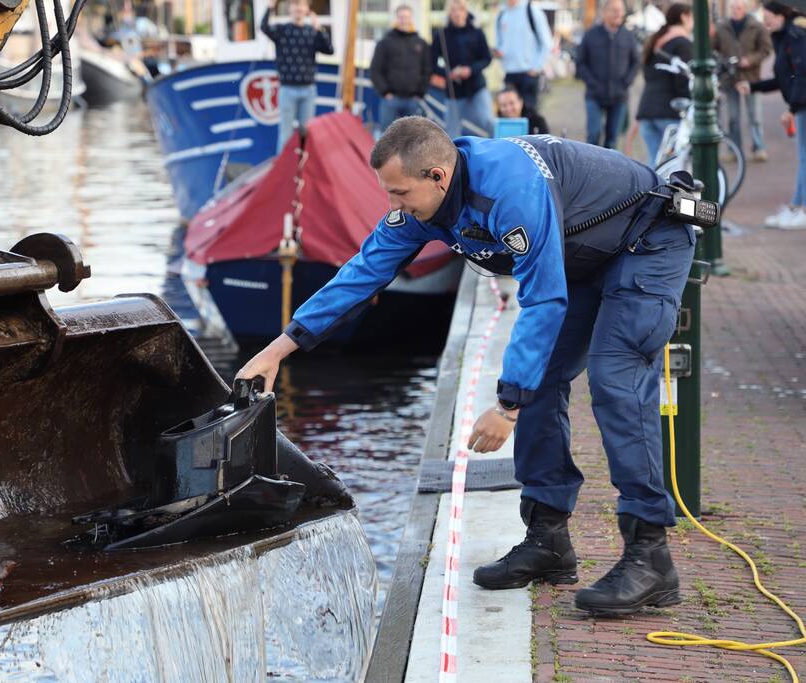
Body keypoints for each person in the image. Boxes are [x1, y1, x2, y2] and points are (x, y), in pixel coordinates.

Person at [237, 116, 694, 616]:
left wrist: (507, 406)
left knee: (616, 381)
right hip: (584, 257)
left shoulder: (510, 192)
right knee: (539, 380)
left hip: (646, 241)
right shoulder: (420, 205)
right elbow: (362, 272)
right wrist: (279, 348)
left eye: (400, 193)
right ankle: (548, 539)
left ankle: (650, 554)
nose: (394, 207)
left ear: (438, 176)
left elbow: (541, 301)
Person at [739, 2, 806, 229]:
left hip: (802, 105)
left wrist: (792, 108)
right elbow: (783, 79)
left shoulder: (795, 34)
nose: (764, 22)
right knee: (803, 158)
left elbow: (802, 74)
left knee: (804, 158)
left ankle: (801, 210)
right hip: (800, 105)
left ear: (780, 16)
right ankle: (797, 206)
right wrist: (753, 86)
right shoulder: (782, 36)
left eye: (767, 17)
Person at [260, 0, 334, 153]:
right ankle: (283, 171)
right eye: (295, 4)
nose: (298, 8)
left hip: (308, 90)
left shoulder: (312, 32)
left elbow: (329, 50)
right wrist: (270, 7)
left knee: (306, 133)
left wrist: (319, 28)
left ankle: (303, 169)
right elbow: (264, 27)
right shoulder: (281, 30)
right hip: (287, 89)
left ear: (306, 9)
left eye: (301, 5)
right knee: (285, 134)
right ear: (290, 8)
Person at [575, 0, 641, 148]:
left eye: (620, 10)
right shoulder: (590, 35)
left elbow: (636, 62)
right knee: (594, 134)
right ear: (604, 13)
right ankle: (590, 168)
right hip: (594, 95)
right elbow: (580, 63)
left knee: (612, 139)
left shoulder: (628, 36)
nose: (618, 14)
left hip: (619, 96)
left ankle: (608, 170)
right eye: (614, 10)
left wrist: (626, 82)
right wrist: (592, 83)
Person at [635, 3, 693, 165]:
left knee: (655, 163)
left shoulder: (656, 42)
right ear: (684, 17)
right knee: (673, 165)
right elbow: (684, 79)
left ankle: (650, 190)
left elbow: (649, 75)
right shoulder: (682, 43)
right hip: (669, 111)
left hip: (647, 110)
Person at [714, 0, 773, 162]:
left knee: (754, 116)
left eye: (738, 8)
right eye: (732, 8)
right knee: (732, 117)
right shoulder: (722, 26)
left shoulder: (757, 26)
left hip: (750, 78)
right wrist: (723, 61)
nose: (735, 11)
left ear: (745, 9)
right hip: (729, 79)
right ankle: (734, 150)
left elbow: (766, 49)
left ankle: (759, 148)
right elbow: (714, 48)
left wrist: (750, 60)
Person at [430, 0, 494, 137]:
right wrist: (449, 73)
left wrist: (471, 70)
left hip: (477, 87)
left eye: (460, 10)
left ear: (466, 12)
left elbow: (487, 58)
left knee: (488, 121)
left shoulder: (477, 33)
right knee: (452, 131)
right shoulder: (440, 35)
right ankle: (455, 158)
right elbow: (431, 64)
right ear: (449, 13)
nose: (457, 14)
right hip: (454, 91)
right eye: (453, 10)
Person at [371, 5, 431, 132]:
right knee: (386, 138)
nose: (404, 20)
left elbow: (427, 69)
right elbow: (375, 69)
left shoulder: (421, 43)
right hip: (391, 100)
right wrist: (385, 92)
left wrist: (420, 93)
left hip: (413, 100)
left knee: (412, 138)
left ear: (411, 19)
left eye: (407, 17)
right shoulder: (385, 42)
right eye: (401, 17)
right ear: (396, 19)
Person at [494, 0, 553, 109]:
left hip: (528, 74)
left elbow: (547, 43)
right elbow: (500, 44)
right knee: (509, 116)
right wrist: (498, 53)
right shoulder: (502, 14)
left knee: (529, 114)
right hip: (509, 74)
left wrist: (536, 67)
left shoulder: (532, 10)